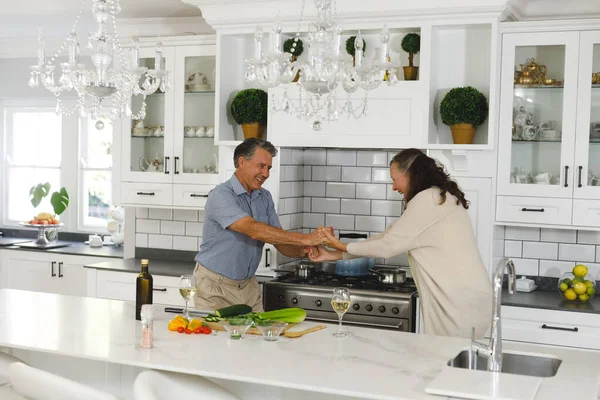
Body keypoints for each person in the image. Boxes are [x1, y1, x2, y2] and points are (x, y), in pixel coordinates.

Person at [308, 148, 492, 338]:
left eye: (395, 179)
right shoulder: (437, 197)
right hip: (466, 301)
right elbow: (387, 238)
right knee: (445, 363)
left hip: (459, 305)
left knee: (444, 363)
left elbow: (387, 246)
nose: (394, 187)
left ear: (411, 175)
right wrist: (335, 254)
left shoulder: (428, 199)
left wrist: (341, 246)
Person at [193, 138, 328, 313]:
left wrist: (305, 249)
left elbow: (279, 241)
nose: (266, 174)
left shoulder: (264, 197)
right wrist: (306, 238)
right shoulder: (220, 196)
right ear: (242, 162)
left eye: (269, 168)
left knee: (257, 339)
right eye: (261, 166)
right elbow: (253, 229)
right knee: (214, 339)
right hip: (214, 289)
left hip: (248, 288)